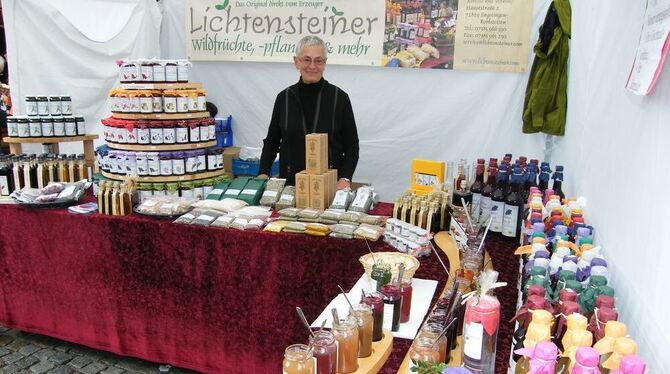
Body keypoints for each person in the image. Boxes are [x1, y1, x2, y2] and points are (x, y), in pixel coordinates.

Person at [258, 35, 359, 189]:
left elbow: (352, 145)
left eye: (318, 60)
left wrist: (345, 178)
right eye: (306, 59)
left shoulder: (339, 98)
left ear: (325, 63)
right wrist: (263, 172)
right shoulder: (284, 98)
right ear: (296, 61)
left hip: (329, 186)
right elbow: (272, 141)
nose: (312, 66)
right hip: (290, 185)